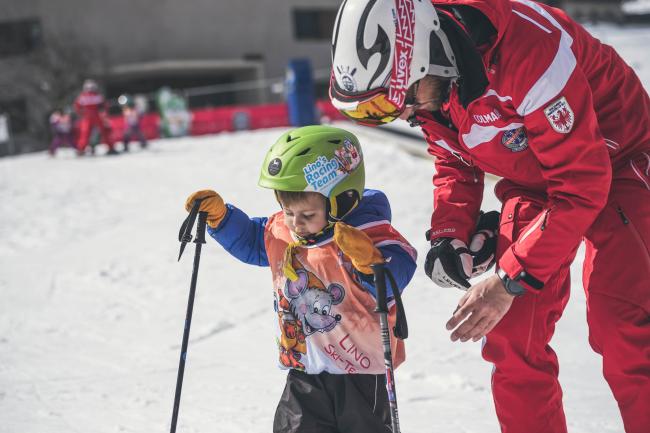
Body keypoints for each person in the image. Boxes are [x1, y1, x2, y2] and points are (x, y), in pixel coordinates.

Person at [328, 1, 650, 433]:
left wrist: (508, 279)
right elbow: (455, 158)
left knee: (623, 324)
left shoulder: (528, 52)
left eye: (397, 100)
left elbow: (580, 185)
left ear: (424, 54)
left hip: (618, 164)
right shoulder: (432, 81)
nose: (403, 115)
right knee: (511, 334)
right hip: (536, 181)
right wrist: (450, 233)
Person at [184, 125, 417, 433]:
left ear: (340, 201)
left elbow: (397, 271)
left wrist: (369, 262)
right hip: (305, 367)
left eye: (307, 215)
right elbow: (256, 241)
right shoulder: (285, 229)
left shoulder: (366, 233)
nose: (297, 224)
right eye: (288, 211)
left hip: (362, 370)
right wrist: (222, 220)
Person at [74, 79, 118, 156]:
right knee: (102, 132)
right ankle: (110, 147)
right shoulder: (96, 96)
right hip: (94, 116)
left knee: (86, 133)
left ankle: (81, 149)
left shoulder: (83, 96)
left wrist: (81, 113)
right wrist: (104, 114)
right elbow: (104, 106)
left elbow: (77, 107)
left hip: (90, 116)